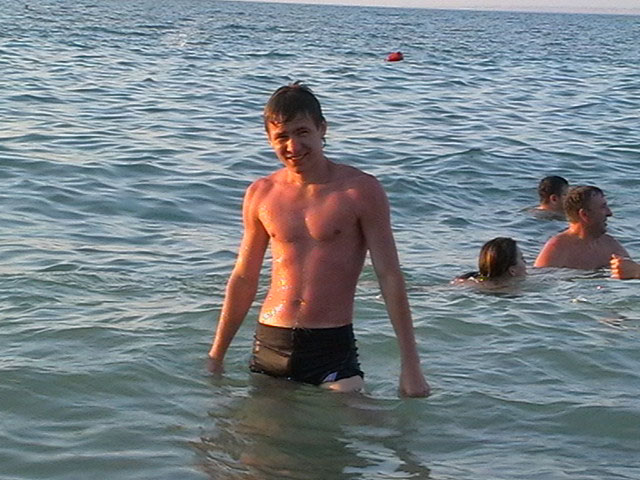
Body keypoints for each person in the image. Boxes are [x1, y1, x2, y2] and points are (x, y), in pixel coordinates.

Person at [207, 83, 430, 397]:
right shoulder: (261, 193)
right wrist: (216, 355)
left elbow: (389, 276)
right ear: (269, 139)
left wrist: (411, 365)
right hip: (271, 341)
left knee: (360, 420)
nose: (293, 146)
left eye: (302, 132)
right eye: (281, 136)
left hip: (330, 344)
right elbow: (244, 278)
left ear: (322, 129)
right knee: (257, 430)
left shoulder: (360, 191)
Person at [534, 186, 628, 269]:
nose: (609, 213)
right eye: (603, 207)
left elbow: (630, 271)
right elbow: (541, 279)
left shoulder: (609, 244)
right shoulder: (557, 249)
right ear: (584, 214)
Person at [454, 237, 526, 286]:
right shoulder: (515, 291)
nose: (525, 262)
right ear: (512, 271)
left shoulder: (466, 281)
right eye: (522, 258)